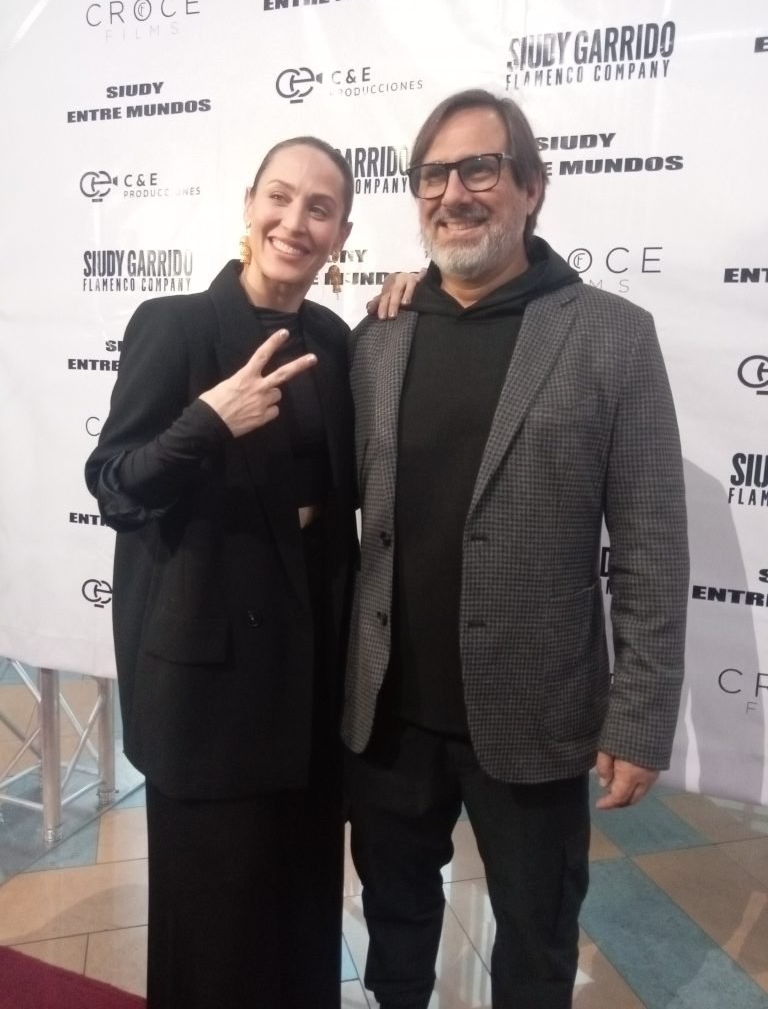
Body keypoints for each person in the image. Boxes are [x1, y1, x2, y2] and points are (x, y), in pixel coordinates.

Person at [342, 89, 689, 1009]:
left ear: (532, 187)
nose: (453, 193)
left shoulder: (612, 334)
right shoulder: (378, 335)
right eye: (432, 175)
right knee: (394, 924)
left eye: (479, 169)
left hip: (536, 716)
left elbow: (653, 543)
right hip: (388, 717)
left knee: (537, 941)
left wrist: (640, 718)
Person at [85, 136, 359, 1009]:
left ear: (341, 235)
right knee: (215, 925)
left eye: (320, 208)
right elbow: (115, 486)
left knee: (301, 909)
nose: (295, 221)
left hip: (307, 671)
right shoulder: (174, 325)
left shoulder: (332, 339)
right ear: (249, 205)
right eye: (280, 197)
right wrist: (205, 421)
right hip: (208, 687)